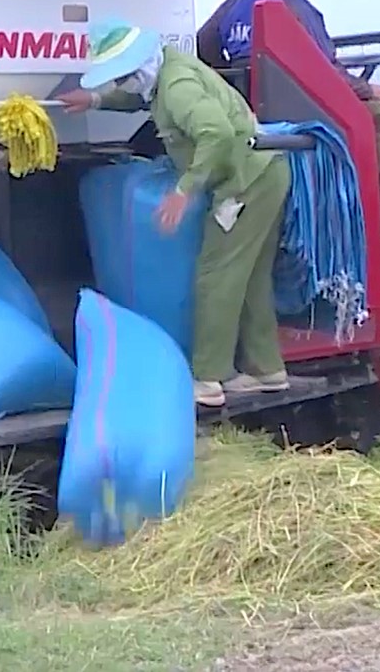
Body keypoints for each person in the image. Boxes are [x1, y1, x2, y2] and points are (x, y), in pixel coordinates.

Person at [56, 20, 290, 408]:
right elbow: (142, 97)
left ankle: (208, 379)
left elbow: (214, 132)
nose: (121, 83)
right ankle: (267, 370)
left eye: (122, 76)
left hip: (245, 182)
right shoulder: (165, 72)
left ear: (138, 67)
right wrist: (95, 100)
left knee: (217, 275)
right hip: (263, 172)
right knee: (249, 276)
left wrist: (185, 190)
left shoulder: (178, 88)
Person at [195, 0, 380, 171]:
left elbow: (203, 43)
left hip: (247, 104)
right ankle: (359, 193)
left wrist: (231, 79)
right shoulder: (300, 9)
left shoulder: (233, 4)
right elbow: (326, 72)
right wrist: (368, 89)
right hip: (299, 107)